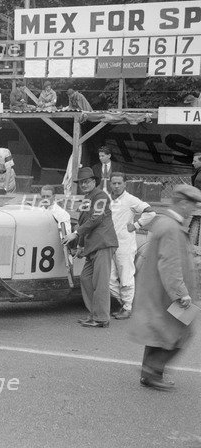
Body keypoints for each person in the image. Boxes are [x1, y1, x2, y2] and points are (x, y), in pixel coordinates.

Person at [129, 184, 201, 391]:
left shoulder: (165, 223)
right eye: (192, 205)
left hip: (159, 292)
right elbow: (170, 264)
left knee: (158, 332)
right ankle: (152, 370)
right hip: (168, 294)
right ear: (183, 203)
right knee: (184, 332)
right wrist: (182, 295)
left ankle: (149, 373)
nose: (193, 210)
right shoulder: (171, 227)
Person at [62, 167, 118, 328]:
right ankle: (95, 314)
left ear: (94, 181)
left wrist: (75, 234)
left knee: (100, 283)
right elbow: (84, 222)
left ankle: (101, 318)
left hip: (103, 244)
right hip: (93, 246)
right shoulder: (88, 197)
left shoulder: (100, 196)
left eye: (87, 181)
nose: (84, 185)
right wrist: (80, 245)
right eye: (81, 183)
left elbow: (96, 219)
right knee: (86, 279)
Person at [108, 172, 156, 320]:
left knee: (126, 276)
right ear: (110, 184)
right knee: (108, 278)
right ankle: (127, 304)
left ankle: (127, 308)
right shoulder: (108, 199)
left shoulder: (130, 199)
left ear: (124, 184)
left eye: (119, 183)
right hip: (109, 243)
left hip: (125, 244)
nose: (116, 186)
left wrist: (136, 225)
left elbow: (151, 213)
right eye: (114, 183)